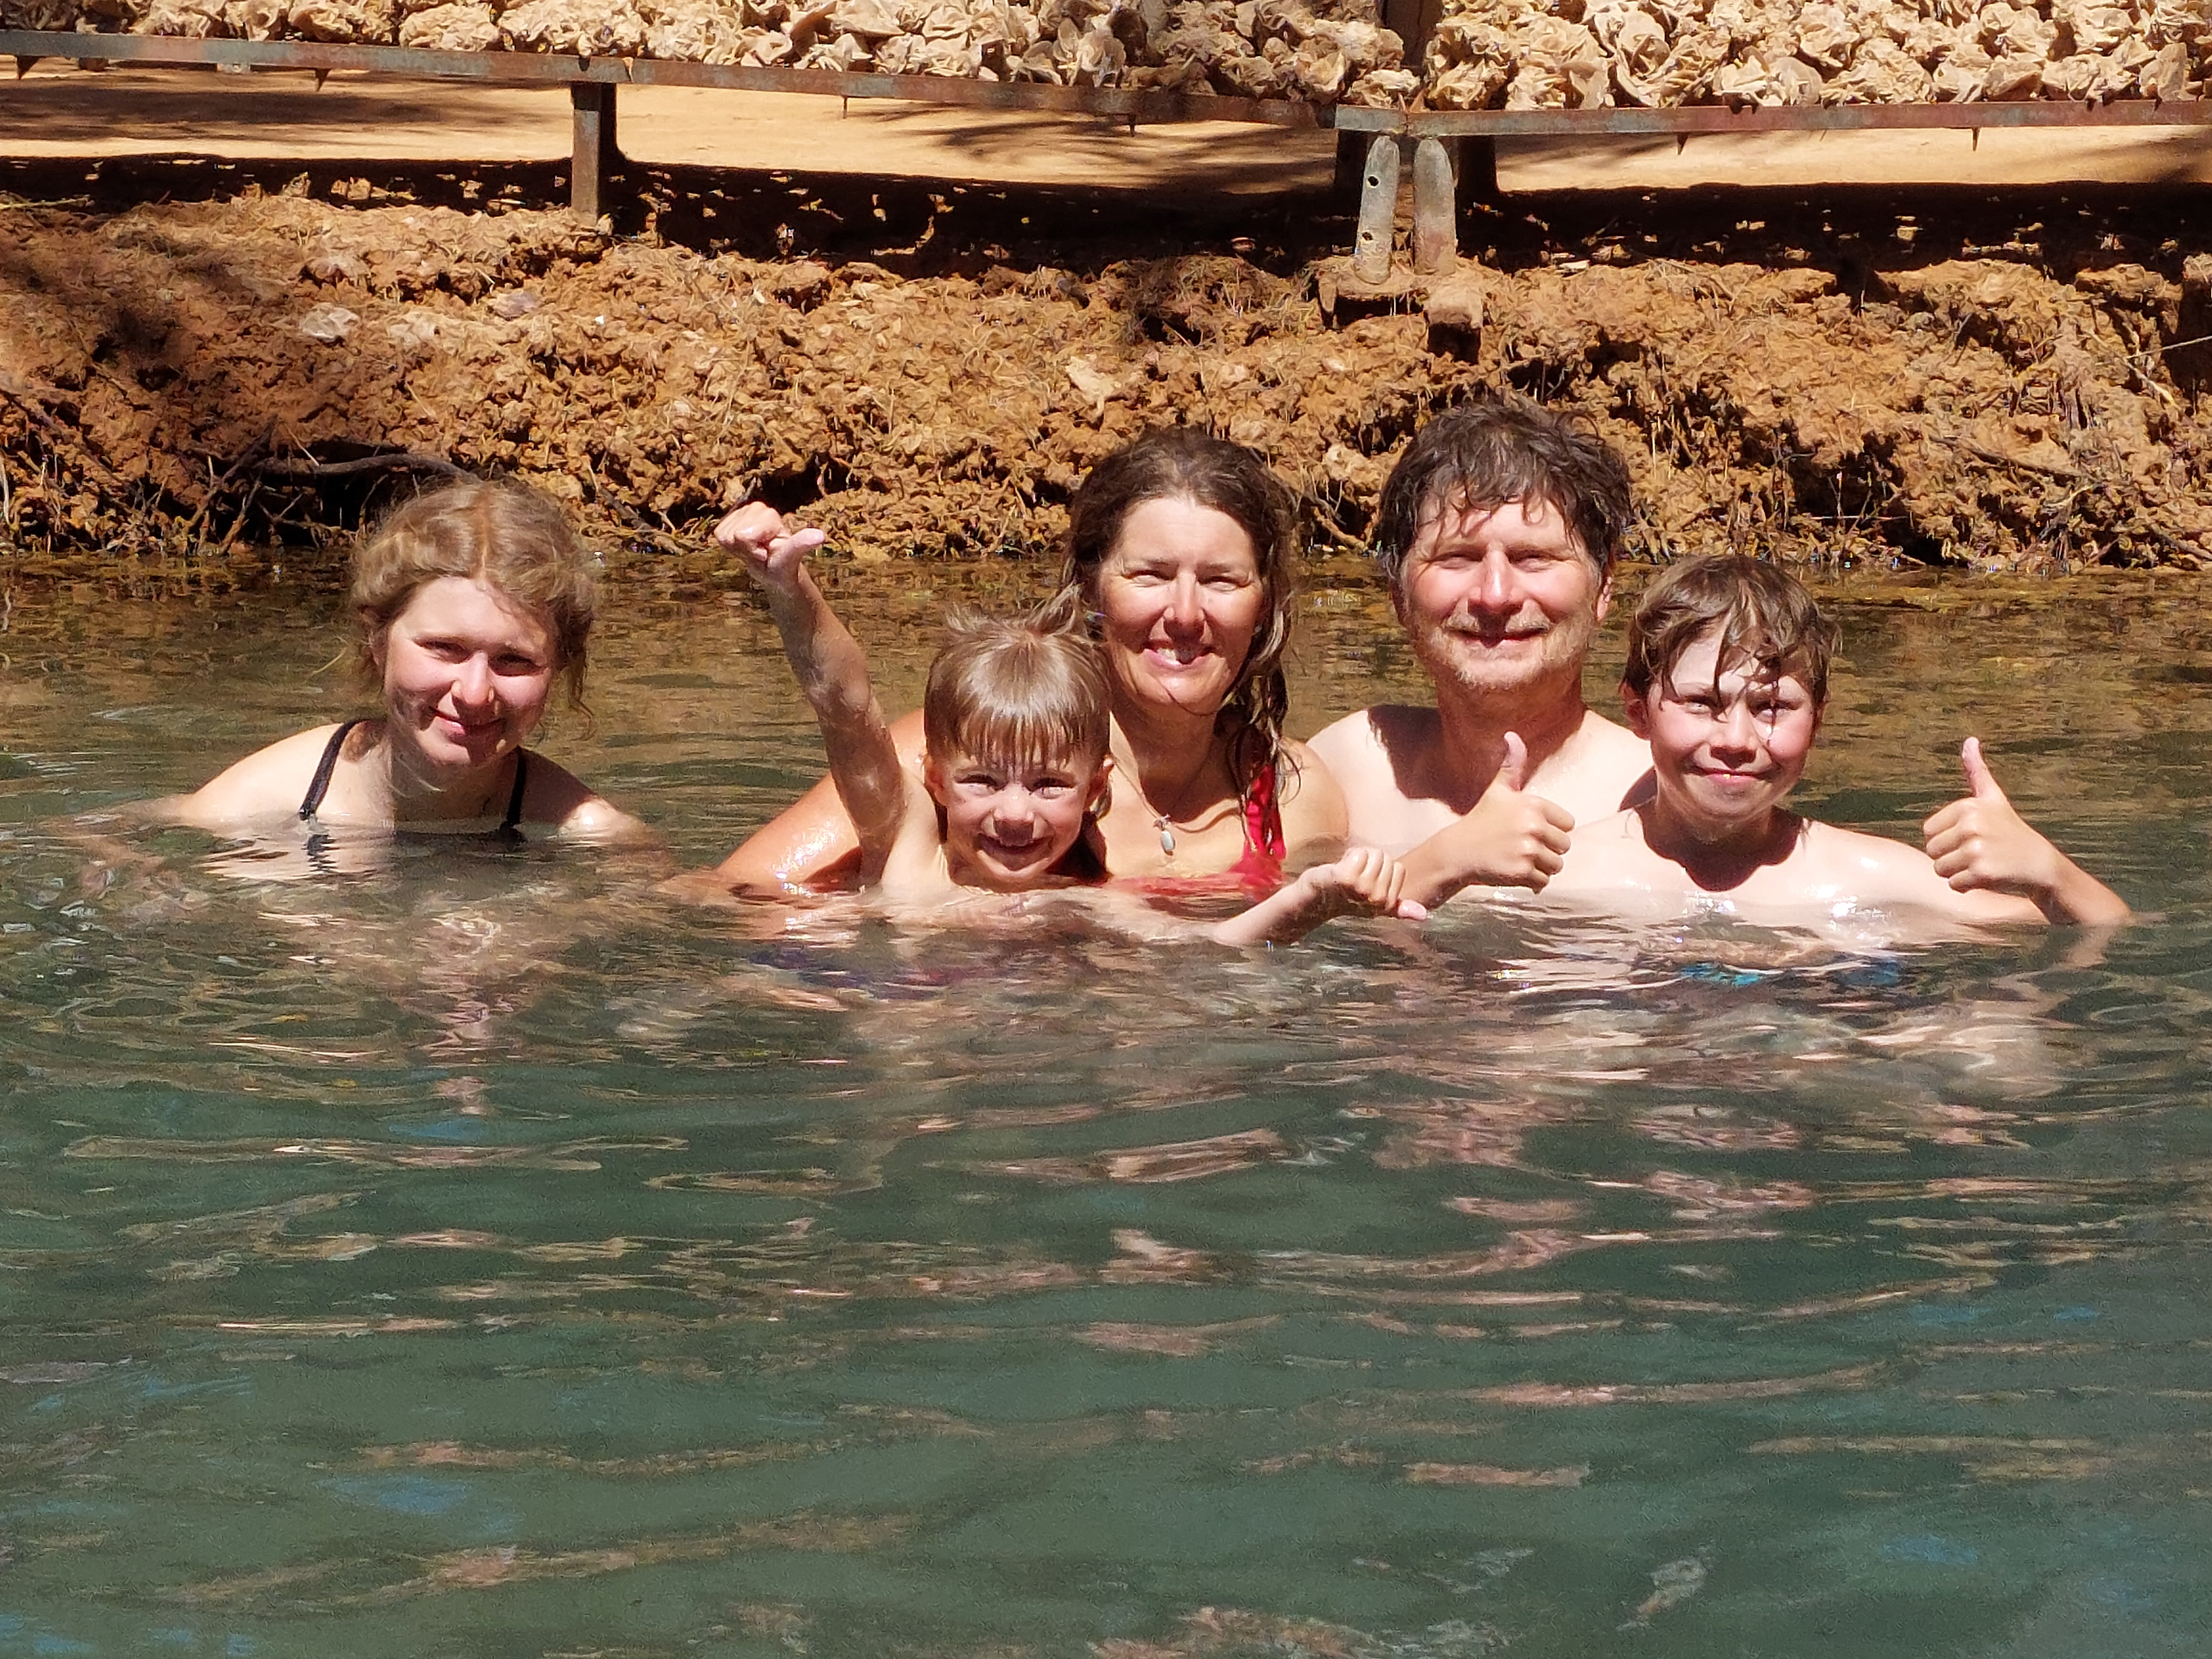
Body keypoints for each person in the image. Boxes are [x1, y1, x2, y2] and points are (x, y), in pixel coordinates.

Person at [719, 501, 1418, 946]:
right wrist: (790, 590)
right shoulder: (908, 853)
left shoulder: (1085, 907)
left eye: (1049, 784)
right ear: (933, 778)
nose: (1014, 814)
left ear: (1095, 790)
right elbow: (845, 708)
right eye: (982, 781)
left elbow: (1216, 951)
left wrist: (1309, 901)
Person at [708, 427, 1349, 893]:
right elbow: (734, 898)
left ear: (1266, 604)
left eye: (1221, 581)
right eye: (1151, 575)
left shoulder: (1290, 792)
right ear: (1092, 590)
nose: (1184, 613)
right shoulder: (969, 746)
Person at [1537, 553, 2128, 926]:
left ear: (1817, 721)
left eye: (1772, 707)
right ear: (1637, 712)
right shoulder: (1558, 875)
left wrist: (2050, 870)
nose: (1737, 739)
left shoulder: (1870, 878)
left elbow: (2109, 931)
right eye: (1701, 703)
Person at [1307, 395, 1654, 909]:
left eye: (1533, 557)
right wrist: (1445, 862)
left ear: (1604, 587)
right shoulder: (1341, 775)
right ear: (1397, 594)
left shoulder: (1664, 795)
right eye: (1457, 558)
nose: (1495, 595)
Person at [162, 479, 640, 841]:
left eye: (514, 660)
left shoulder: (592, 837)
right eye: (445, 648)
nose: (475, 693)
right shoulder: (255, 803)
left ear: (559, 666)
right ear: (378, 641)